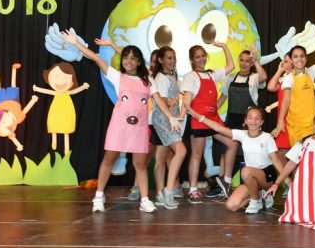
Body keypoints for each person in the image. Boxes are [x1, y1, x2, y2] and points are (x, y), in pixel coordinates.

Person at [64, 30, 156, 214]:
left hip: (138, 129)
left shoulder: (148, 80)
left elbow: (137, 63)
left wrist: (114, 45)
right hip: (119, 127)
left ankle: (145, 200)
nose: (128, 61)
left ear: (139, 62)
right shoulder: (116, 76)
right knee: (109, 159)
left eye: (133, 58)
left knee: (140, 164)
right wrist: (76, 43)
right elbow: (95, 58)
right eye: (125, 58)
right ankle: (99, 196)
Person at [187, 106, 285, 214]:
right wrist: (198, 117)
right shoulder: (242, 135)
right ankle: (259, 195)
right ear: (246, 120)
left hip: (267, 176)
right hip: (250, 179)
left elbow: (276, 161)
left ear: (261, 122)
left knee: (246, 171)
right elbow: (219, 128)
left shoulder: (267, 137)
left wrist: (287, 181)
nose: (253, 121)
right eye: (250, 118)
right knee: (231, 206)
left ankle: (256, 201)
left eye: (257, 118)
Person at [181, 42, 236, 203]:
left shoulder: (212, 74)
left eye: (203, 56)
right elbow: (187, 101)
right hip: (198, 120)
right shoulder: (190, 76)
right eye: (197, 57)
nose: (201, 59)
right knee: (197, 154)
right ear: (192, 60)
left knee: (232, 143)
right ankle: (193, 190)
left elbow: (231, 66)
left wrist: (224, 46)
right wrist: (181, 118)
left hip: (213, 119)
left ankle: (225, 180)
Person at [213, 46, 268, 197]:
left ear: (251, 63)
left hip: (248, 122)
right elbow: (222, 98)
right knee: (225, 150)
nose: (244, 63)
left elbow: (264, 77)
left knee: (246, 152)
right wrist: (209, 112)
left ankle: (251, 185)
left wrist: (256, 60)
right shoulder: (231, 78)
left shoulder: (255, 78)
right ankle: (223, 185)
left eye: (247, 61)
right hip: (231, 119)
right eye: (242, 60)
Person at [150, 46, 187, 209]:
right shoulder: (161, 77)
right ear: (160, 60)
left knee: (161, 157)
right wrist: (170, 102)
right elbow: (161, 99)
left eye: (174, 58)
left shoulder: (173, 76)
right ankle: (169, 190)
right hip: (164, 121)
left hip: (171, 120)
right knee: (181, 151)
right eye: (169, 58)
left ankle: (160, 194)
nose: (172, 61)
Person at [32, 62, 90, 155]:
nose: (60, 81)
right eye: (57, 76)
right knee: (54, 124)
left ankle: (66, 148)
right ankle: (54, 140)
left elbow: (75, 91)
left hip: (67, 111)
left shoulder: (67, 93)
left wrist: (83, 87)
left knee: (66, 129)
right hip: (56, 111)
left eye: (64, 77)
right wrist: (37, 89)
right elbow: (46, 91)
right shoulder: (57, 93)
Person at [0, 63, 39, 152]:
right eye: (5, 123)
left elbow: (11, 135)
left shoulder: (1, 113)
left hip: (0, 101)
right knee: (13, 84)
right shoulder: (18, 118)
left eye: (2, 121)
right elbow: (25, 110)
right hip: (13, 99)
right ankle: (14, 69)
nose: (5, 121)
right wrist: (33, 100)